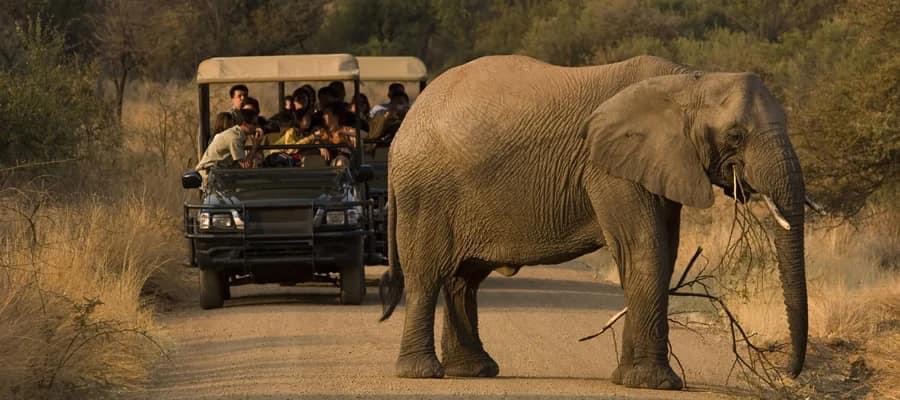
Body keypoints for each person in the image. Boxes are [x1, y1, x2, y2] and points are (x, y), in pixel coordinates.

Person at [195, 108, 263, 184]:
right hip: (210, 176)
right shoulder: (234, 138)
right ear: (244, 124)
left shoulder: (236, 134)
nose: (256, 127)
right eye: (254, 124)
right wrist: (255, 145)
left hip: (220, 174)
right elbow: (245, 166)